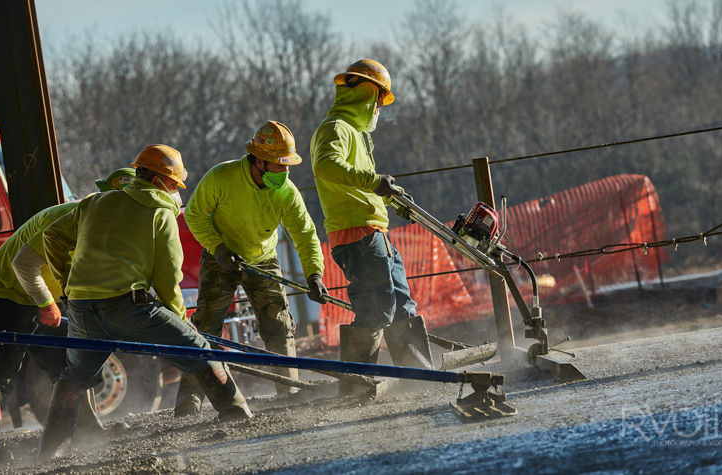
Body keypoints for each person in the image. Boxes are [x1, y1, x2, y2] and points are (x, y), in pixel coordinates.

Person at [37, 145, 251, 461]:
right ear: (160, 179)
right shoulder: (160, 213)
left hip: (81, 307)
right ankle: (237, 413)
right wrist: (181, 320)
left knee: (75, 374)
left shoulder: (97, 201)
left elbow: (52, 236)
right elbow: (167, 276)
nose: (177, 191)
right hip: (129, 306)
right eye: (175, 184)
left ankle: (50, 451)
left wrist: (68, 283)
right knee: (198, 349)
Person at [0, 168, 136, 470]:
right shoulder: (69, 220)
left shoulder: (107, 227)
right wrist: (47, 304)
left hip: (40, 296)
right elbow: (23, 265)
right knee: (1, 370)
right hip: (5, 294)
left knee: (69, 362)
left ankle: (86, 429)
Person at [175, 120, 326, 415]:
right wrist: (218, 249)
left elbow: (306, 235)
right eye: (278, 166)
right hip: (220, 259)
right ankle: (189, 400)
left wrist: (314, 273)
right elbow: (194, 214)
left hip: (263, 260)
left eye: (287, 166)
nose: (285, 173)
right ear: (258, 160)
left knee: (280, 326)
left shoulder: (286, 192)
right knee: (206, 328)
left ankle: (289, 391)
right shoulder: (222, 177)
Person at [310, 59, 435, 395]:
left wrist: (397, 199)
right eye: (380, 98)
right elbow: (325, 165)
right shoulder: (335, 128)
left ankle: (418, 376)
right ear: (368, 94)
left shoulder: (355, 135)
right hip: (356, 233)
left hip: (373, 231)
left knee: (401, 303)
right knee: (376, 307)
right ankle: (354, 386)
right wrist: (376, 182)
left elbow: (369, 188)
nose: (380, 106)